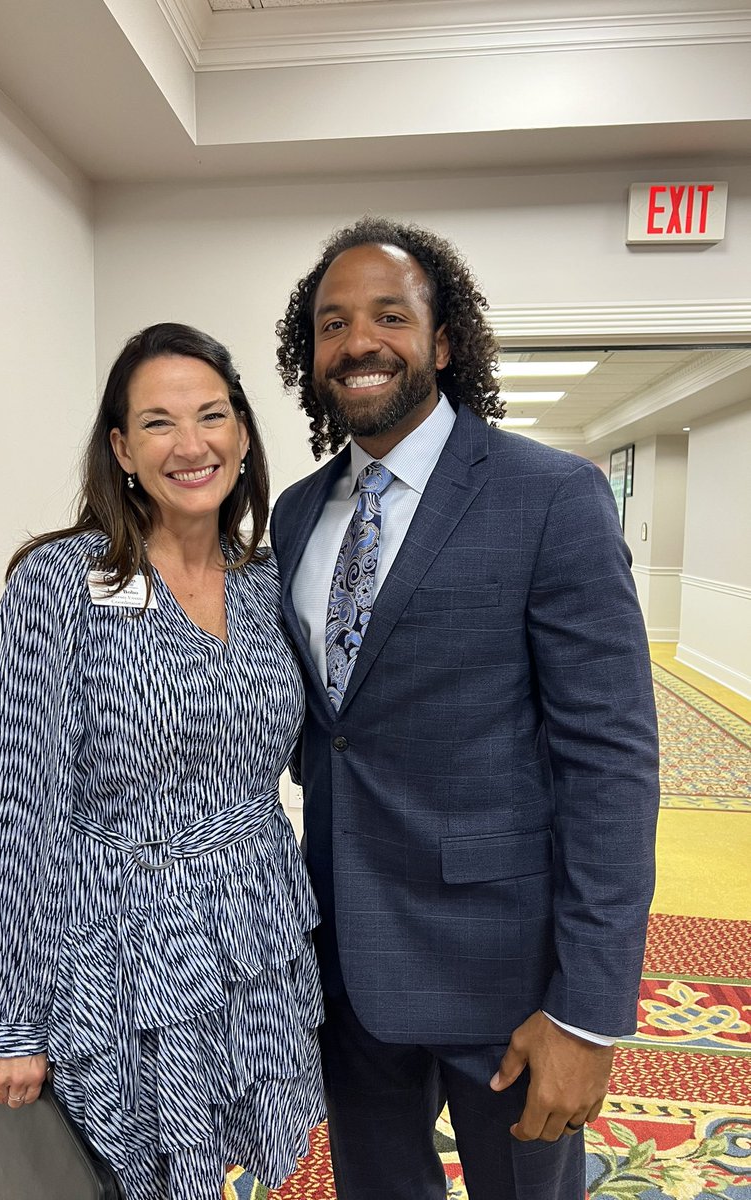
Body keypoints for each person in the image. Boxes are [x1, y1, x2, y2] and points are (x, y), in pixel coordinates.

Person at [269, 217, 659, 1200]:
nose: (359, 341)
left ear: (443, 343)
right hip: (343, 970)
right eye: (332, 322)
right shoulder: (297, 512)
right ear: (309, 352)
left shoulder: (551, 497)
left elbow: (610, 766)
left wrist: (587, 1012)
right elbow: (332, 732)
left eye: (390, 316)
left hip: (507, 980)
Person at [0, 323, 325, 1200]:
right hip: (119, 937)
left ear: (242, 431)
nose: (191, 444)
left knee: (220, 1159)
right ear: (121, 448)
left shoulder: (268, 579)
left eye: (212, 415)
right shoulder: (58, 582)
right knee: (125, 1172)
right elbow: (11, 810)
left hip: (252, 927)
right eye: (158, 423)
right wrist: (9, 1018)